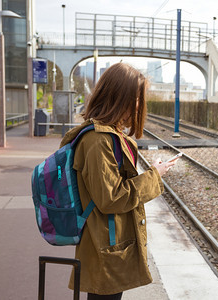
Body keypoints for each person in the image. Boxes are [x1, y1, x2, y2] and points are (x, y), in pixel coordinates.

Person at [60, 63, 178, 300]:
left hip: (108, 242)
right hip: (103, 246)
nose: (138, 105)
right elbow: (111, 198)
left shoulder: (108, 136)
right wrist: (154, 175)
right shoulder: (98, 140)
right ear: (120, 98)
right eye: (136, 98)